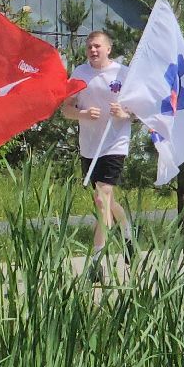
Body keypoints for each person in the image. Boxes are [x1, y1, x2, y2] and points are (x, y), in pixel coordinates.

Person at [61, 30, 135, 279]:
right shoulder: (80, 74)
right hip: (90, 146)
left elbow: (139, 109)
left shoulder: (122, 74)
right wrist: (82, 114)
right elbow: (66, 110)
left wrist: (125, 113)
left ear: (108, 49)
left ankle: (96, 262)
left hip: (115, 143)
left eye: (97, 46)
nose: (93, 51)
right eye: (90, 47)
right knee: (108, 202)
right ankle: (127, 233)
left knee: (101, 200)